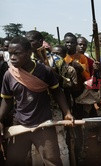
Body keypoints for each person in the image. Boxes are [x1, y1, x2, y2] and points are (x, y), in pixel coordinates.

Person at [0, 36, 74, 165]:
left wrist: (67, 112)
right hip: (20, 125)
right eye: (11, 54)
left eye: (17, 53)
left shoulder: (44, 71)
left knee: (53, 161)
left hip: (43, 125)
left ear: (29, 53)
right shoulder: (9, 75)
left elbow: (57, 91)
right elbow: (7, 101)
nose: (12, 57)